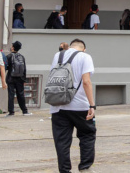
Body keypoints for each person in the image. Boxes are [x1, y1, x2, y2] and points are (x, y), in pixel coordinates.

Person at [50, 39, 96, 173]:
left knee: (62, 140)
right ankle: (85, 167)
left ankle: (64, 170)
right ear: (84, 49)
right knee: (87, 134)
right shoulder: (85, 57)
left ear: (71, 47)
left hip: (57, 104)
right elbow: (86, 82)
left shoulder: (57, 56)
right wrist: (92, 105)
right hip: (79, 105)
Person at [4, 41, 30, 116]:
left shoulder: (9, 56)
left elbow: (5, 67)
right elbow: (24, 69)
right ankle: (24, 111)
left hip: (11, 78)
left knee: (11, 95)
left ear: (13, 47)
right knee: (21, 94)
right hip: (20, 79)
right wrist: (24, 79)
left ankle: (11, 112)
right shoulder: (22, 57)